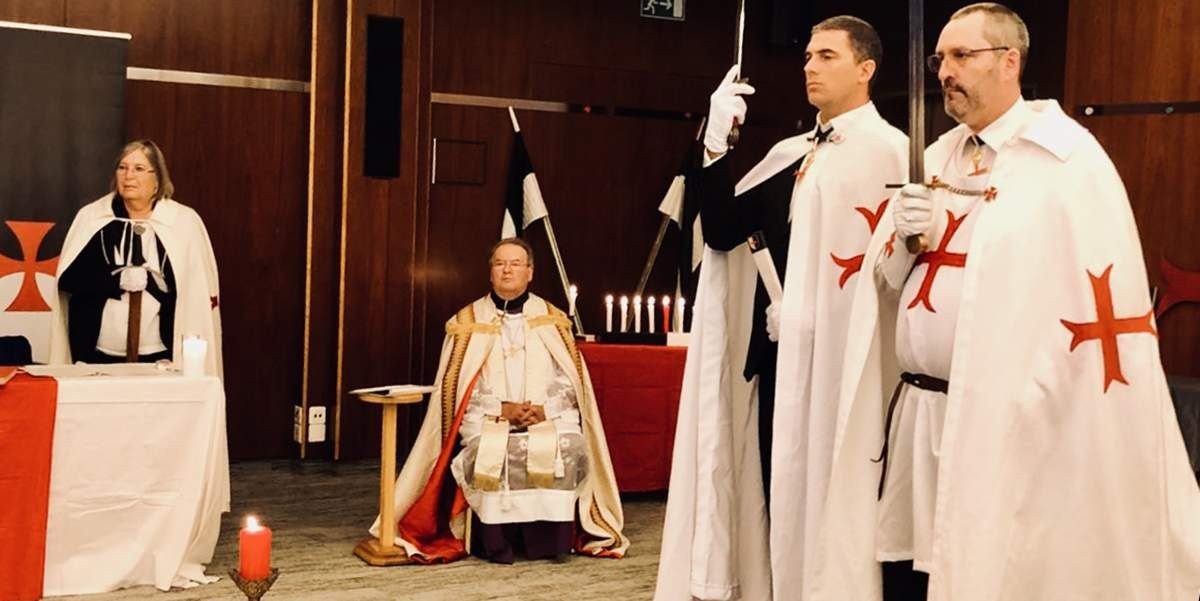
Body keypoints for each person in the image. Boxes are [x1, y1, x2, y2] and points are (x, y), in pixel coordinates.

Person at [853, 4, 1200, 600]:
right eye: (940, 59)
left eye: (962, 56)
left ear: (1009, 62)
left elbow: (1084, 297)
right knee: (911, 573)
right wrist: (903, 242)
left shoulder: (1065, 160)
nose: (945, 72)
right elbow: (885, 287)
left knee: (990, 567)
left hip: (1004, 422)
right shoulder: (935, 158)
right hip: (919, 414)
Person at [656, 16, 907, 600]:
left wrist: (822, 314)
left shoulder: (892, 154)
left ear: (866, 69)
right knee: (777, 487)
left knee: (838, 486)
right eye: (808, 57)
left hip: (846, 363)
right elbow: (723, 232)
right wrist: (715, 146)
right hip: (777, 359)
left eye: (827, 56)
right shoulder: (790, 153)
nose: (810, 67)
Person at [374, 238, 628, 564]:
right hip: (487, 419)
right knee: (488, 450)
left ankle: (547, 542)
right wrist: (502, 410)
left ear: (530, 272)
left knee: (567, 446)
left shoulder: (552, 320)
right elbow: (458, 387)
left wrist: (543, 410)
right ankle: (496, 543)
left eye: (516, 264)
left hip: (547, 417)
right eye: (500, 263)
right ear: (490, 272)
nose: (507, 270)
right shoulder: (467, 323)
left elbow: (571, 381)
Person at [49, 139, 223, 376]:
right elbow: (68, 279)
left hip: (161, 354)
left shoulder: (182, 222)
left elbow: (195, 290)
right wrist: (115, 281)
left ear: (157, 179)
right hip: (99, 354)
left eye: (139, 168)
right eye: (122, 167)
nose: (128, 175)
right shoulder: (93, 217)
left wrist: (155, 282)